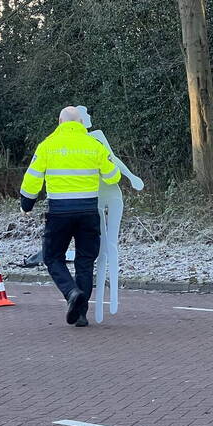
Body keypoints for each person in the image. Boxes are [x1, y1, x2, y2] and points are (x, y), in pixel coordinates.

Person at [20, 107, 121, 327]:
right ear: (81, 123)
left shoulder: (47, 145)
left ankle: (71, 292)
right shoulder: (94, 146)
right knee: (85, 261)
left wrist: (26, 204)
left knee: (52, 257)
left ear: (59, 122)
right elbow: (113, 177)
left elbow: (33, 178)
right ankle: (81, 315)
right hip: (88, 212)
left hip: (60, 212)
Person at [75, 106, 144, 324]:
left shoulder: (97, 136)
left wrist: (131, 176)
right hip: (94, 197)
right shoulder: (76, 144)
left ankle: (112, 299)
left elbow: (113, 159)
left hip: (112, 194)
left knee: (111, 245)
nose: (89, 118)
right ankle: (99, 306)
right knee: (102, 248)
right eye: (85, 116)